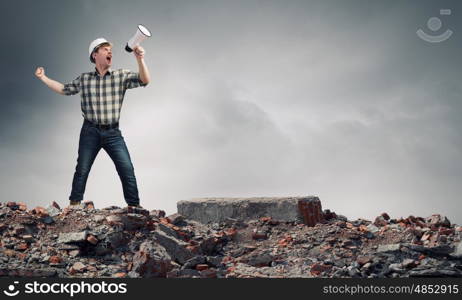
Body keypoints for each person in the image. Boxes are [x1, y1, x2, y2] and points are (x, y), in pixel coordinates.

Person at [34, 38, 150, 208]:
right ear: (94, 55)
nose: (110, 52)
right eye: (105, 49)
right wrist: (43, 77)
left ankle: (135, 207)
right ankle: (74, 206)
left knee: (127, 170)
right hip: (90, 131)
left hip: (113, 133)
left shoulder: (121, 75)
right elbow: (63, 89)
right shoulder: (84, 79)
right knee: (82, 169)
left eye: (110, 49)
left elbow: (144, 80)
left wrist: (140, 59)